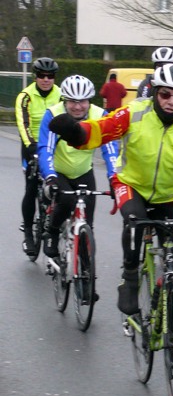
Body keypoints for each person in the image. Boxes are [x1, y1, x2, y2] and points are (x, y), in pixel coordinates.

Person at [48, 64, 173, 364]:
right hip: (132, 185)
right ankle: (131, 278)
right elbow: (101, 129)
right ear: (155, 93)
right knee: (134, 223)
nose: (171, 101)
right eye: (165, 94)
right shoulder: (135, 112)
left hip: (172, 197)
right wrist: (76, 131)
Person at [37, 76, 120, 267]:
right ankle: (53, 231)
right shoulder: (53, 114)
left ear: (89, 101)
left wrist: (114, 177)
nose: (77, 107)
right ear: (64, 100)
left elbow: (110, 149)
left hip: (84, 172)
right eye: (72, 101)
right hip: (59, 172)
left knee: (87, 223)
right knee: (66, 201)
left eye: (82, 101)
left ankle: (86, 273)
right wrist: (50, 177)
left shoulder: (99, 115)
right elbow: (46, 149)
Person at [15, 57, 62, 257]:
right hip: (31, 145)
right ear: (35, 77)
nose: (46, 79)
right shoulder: (25, 96)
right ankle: (28, 233)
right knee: (32, 187)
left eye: (50, 76)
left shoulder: (61, 94)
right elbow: (23, 124)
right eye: (42, 76)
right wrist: (32, 146)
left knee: (59, 187)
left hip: (54, 145)